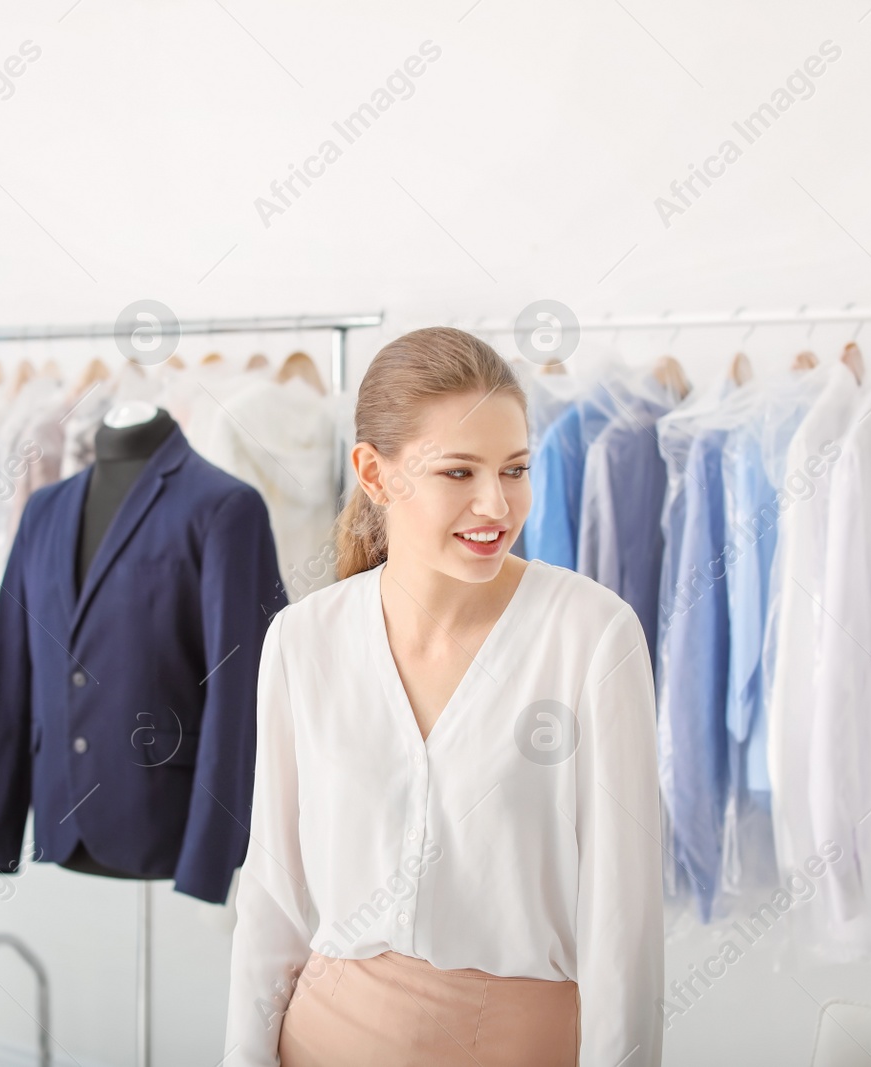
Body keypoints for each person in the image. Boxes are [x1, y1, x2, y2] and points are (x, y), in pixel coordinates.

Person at [224, 327, 664, 1066]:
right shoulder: (303, 640)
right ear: (374, 472)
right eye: (459, 472)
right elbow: (270, 899)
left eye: (516, 469)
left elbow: (625, 927)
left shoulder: (592, 635)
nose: (497, 504)